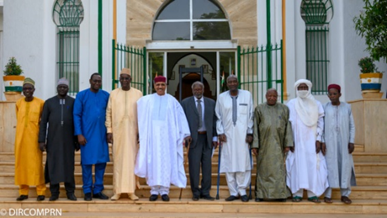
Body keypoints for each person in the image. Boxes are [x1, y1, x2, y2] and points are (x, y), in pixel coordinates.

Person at [135, 76, 190, 202]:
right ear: (154, 86)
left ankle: (165, 191)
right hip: (152, 137)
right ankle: (154, 191)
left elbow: (181, 117)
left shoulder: (172, 101)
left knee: (166, 162)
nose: (160, 87)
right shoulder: (147, 100)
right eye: (158, 84)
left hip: (168, 138)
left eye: (162, 84)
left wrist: (186, 133)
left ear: (166, 86)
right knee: (153, 162)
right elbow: (137, 113)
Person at [286, 79, 328, 203]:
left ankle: (312, 194)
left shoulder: (316, 103)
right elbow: (287, 124)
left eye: (305, 87)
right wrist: (289, 140)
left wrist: (318, 139)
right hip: (296, 141)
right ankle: (297, 194)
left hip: (312, 140)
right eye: (300, 87)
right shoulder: (291, 104)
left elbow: (321, 122)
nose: (302, 89)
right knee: (296, 166)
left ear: (309, 88)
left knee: (313, 166)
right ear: (296, 89)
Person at [38, 78, 79, 201]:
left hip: (68, 141)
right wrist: (41, 140)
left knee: (69, 166)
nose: (62, 89)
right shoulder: (49, 103)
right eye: (60, 87)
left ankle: (70, 192)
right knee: (53, 165)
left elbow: (77, 121)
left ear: (68, 89)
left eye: (64, 87)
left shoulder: (73, 102)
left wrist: (77, 140)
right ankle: (54, 193)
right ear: (57, 88)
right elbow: (43, 122)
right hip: (53, 140)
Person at [105, 68, 143, 201]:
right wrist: (109, 131)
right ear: (119, 80)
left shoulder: (138, 94)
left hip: (133, 133)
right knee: (119, 161)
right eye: (122, 78)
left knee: (132, 161)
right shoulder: (113, 94)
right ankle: (118, 191)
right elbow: (108, 113)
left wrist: (141, 131)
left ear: (130, 80)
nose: (124, 81)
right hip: (118, 133)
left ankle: (131, 190)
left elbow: (142, 114)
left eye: (127, 78)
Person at [215, 75, 254, 202]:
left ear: (238, 82)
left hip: (243, 135)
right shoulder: (221, 97)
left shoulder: (247, 95)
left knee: (243, 162)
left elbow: (250, 114)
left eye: (234, 81)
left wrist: (249, 132)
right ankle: (233, 191)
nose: (232, 83)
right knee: (229, 162)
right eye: (229, 82)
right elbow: (218, 116)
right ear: (226, 84)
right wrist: (220, 132)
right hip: (228, 135)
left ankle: (242, 191)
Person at [252, 88, 293, 202]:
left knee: (278, 170)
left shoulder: (284, 109)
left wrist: (287, 143)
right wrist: (255, 145)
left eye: (274, 96)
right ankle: (261, 194)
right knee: (263, 170)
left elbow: (288, 127)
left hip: (278, 145)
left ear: (277, 97)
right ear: (266, 96)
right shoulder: (259, 109)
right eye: (269, 96)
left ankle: (280, 195)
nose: (272, 98)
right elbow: (255, 127)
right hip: (263, 145)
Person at [73, 73, 110, 201]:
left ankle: (98, 189)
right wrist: (79, 134)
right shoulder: (81, 95)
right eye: (95, 81)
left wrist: (109, 132)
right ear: (90, 81)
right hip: (86, 135)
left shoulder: (106, 95)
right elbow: (76, 115)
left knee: (101, 162)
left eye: (99, 81)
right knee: (87, 163)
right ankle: (87, 190)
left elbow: (110, 114)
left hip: (101, 134)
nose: (97, 83)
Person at [181, 81, 217, 201]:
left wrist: (215, 137)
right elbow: (182, 120)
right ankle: (195, 192)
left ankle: (205, 192)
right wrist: (185, 135)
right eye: (195, 90)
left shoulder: (211, 103)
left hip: (207, 138)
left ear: (203, 90)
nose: (197, 91)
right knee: (194, 167)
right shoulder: (185, 103)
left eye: (199, 89)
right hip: (193, 140)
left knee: (207, 167)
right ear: (192, 90)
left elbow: (214, 121)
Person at [322, 84, 356, 204]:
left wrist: (351, 141)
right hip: (329, 142)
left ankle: (345, 194)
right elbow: (321, 126)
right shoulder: (324, 107)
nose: (332, 96)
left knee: (345, 167)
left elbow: (352, 125)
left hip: (344, 142)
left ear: (340, 94)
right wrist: (322, 141)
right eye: (330, 94)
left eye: (334, 94)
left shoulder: (347, 107)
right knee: (329, 166)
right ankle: (328, 194)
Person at [14, 78, 46, 201]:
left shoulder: (40, 103)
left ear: (34, 90)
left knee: (36, 165)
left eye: (30, 88)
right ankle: (23, 191)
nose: (27, 91)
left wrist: (42, 139)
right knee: (21, 165)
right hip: (21, 139)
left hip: (34, 139)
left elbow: (42, 122)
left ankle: (41, 191)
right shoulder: (18, 103)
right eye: (25, 89)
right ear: (23, 90)